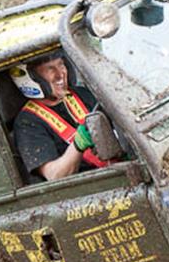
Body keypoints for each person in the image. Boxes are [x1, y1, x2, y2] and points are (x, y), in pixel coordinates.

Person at [11, 51, 108, 182]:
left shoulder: (83, 94)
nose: (60, 74)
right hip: (88, 185)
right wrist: (78, 144)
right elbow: (55, 175)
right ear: (31, 78)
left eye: (61, 64)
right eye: (50, 68)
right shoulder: (27, 123)